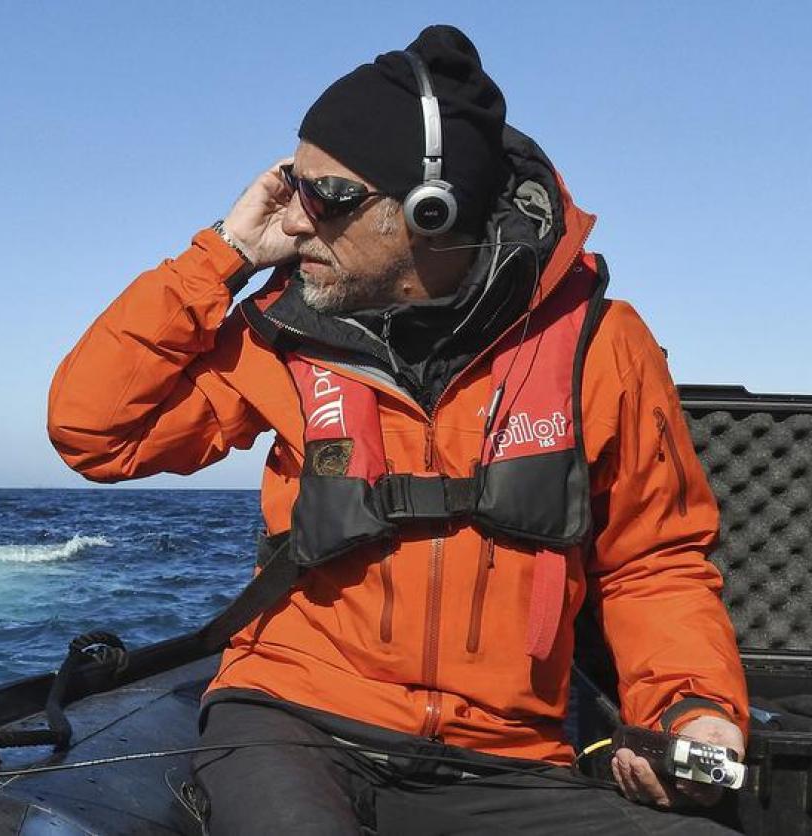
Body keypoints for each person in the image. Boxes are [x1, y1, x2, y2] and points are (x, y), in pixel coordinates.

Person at [47, 24, 749, 834]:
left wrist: (693, 707)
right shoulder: (281, 328)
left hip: (509, 762)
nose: (297, 221)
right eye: (291, 186)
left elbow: (653, 563)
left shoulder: (601, 343)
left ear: (429, 209)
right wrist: (226, 251)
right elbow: (94, 432)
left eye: (328, 196)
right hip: (292, 723)